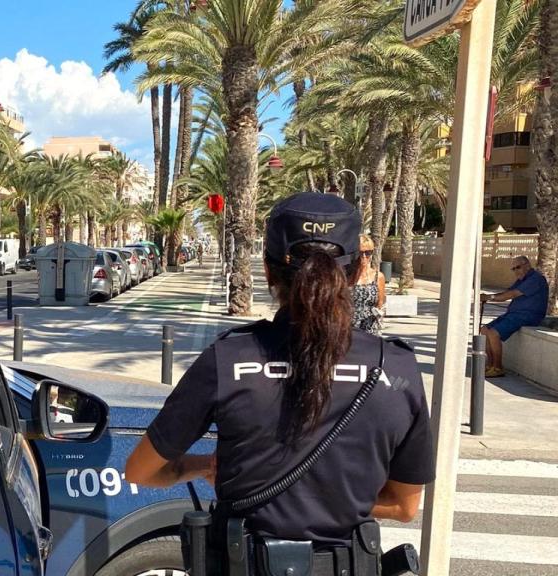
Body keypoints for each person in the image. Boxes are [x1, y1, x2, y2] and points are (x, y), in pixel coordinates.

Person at [126, 193, 434, 574]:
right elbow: (404, 506)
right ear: (356, 273)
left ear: (269, 272)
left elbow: (140, 471)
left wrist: (202, 465)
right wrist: (333, 499)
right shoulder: (397, 368)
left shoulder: (229, 360)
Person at [480, 255, 549, 377]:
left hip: (528, 315)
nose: (515, 271)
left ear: (527, 265)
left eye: (518, 267)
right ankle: (490, 365)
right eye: (513, 269)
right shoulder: (521, 280)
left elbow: (511, 294)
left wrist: (490, 297)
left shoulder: (535, 279)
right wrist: (488, 296)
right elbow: (506, 293)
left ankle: (497, 367)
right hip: (514, 314)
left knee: (494, 333)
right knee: (485, 330)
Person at [352, 234, 386, 335]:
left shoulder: (378, 277)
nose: (364, 256)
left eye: (368, 252)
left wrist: (379, 313)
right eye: (360, 252)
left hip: (370, 331)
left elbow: (380, 304)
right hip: (348, 331)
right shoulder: (345, 276)